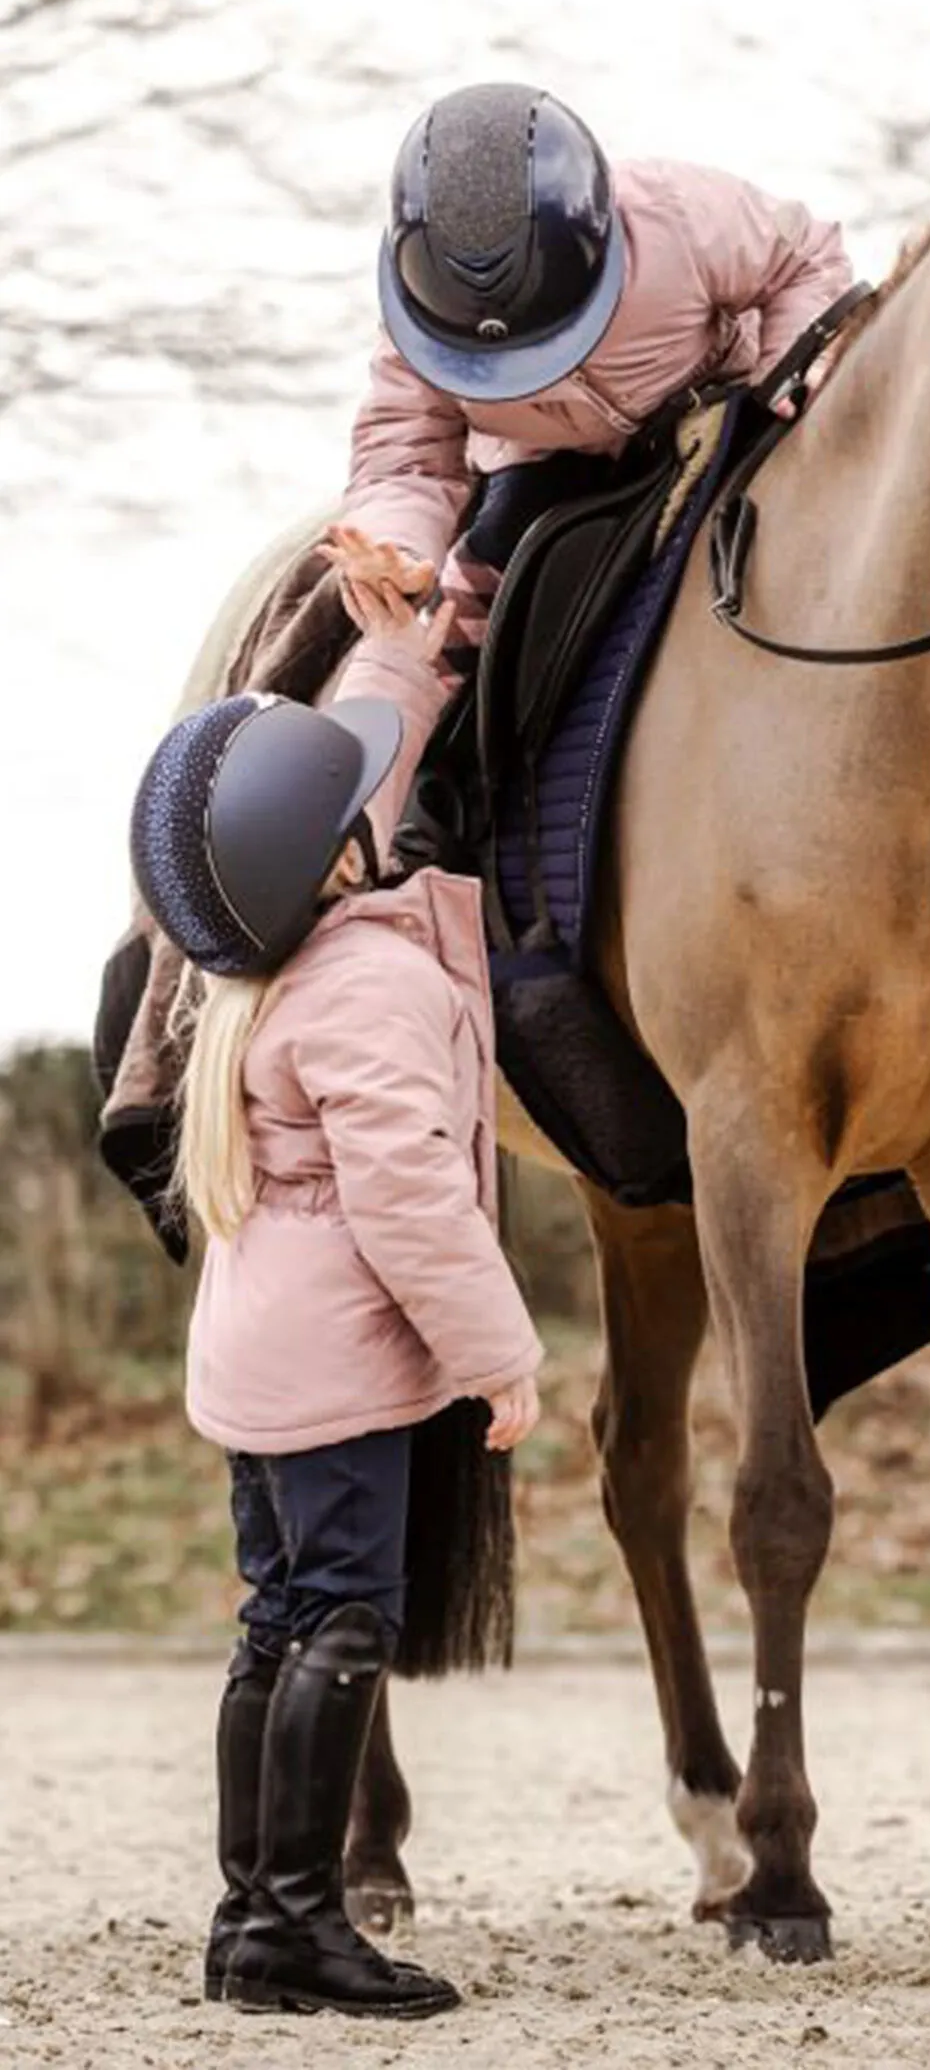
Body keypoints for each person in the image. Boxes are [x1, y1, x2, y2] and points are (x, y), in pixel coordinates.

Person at [128, 536, 543, 2020]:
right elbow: (415, 1200)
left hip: (263, 1356)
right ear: (340, 854)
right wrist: (501, 1355)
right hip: (348, 1366)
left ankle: (253, 1918)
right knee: (347, 1617)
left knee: (276, 1618)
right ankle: (303, 1919)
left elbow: (349, 769)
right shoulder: (367, 984)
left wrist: (418, 639)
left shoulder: (264, 960)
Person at [332, 81, 856, 664]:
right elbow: (405, 453)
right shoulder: (414, 322)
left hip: (721, 414)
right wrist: (397, 548)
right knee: (447, 638)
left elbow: (803, 257)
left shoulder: (676, 214)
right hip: (541, 468)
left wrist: (784, 374)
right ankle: (436, 749)